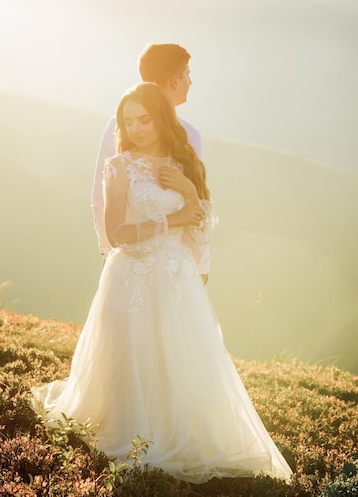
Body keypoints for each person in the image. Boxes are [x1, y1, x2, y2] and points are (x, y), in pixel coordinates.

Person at [31, 83, 292, 483]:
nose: (136, 128)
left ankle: (177, 430)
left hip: (176, 277)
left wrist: (188, 190)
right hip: (132, 276)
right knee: (135, 355)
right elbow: (116, 232)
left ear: (162, 118)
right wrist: (170, 220)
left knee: (177, 357)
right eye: (128, 121)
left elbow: (200, 232)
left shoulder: (181, 163)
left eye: (144, 119)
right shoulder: (118, 166)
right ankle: (135, 433)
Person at [91, 42, 210, 282]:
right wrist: (110, 251)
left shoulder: (186, 137)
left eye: (145, 120)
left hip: (174, 264)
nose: (136, 129)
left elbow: (196, 203)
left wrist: (198, 263)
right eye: (188, 75)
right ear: (175, 80)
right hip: (130, 260)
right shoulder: (119, 128)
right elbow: (102, 195)